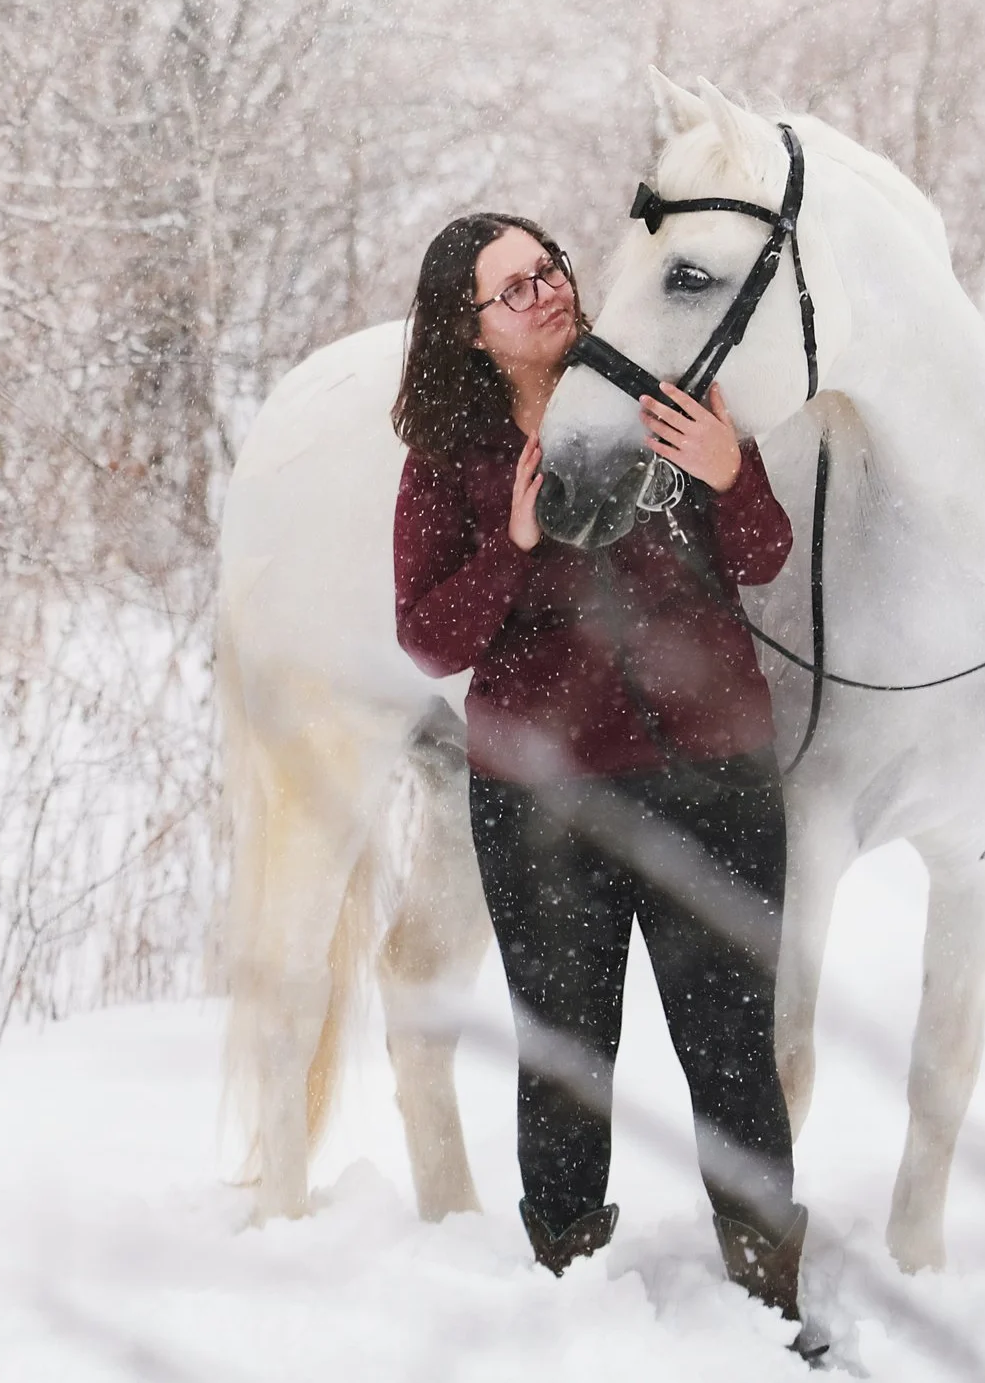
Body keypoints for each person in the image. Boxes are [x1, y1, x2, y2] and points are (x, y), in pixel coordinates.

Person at [389, 212, 818, 1350]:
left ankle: (770, 1303)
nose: (541, 292)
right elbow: (429, 635)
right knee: (568, 1056)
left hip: (712, 777)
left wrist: (728, 472)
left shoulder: (655, 390)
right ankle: (569, 1296)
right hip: (545, 801)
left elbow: (763, 554)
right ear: (466, 331)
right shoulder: (451, 458)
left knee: (732, 1051)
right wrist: (513, 539)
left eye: (545, 268)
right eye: (507, 288)